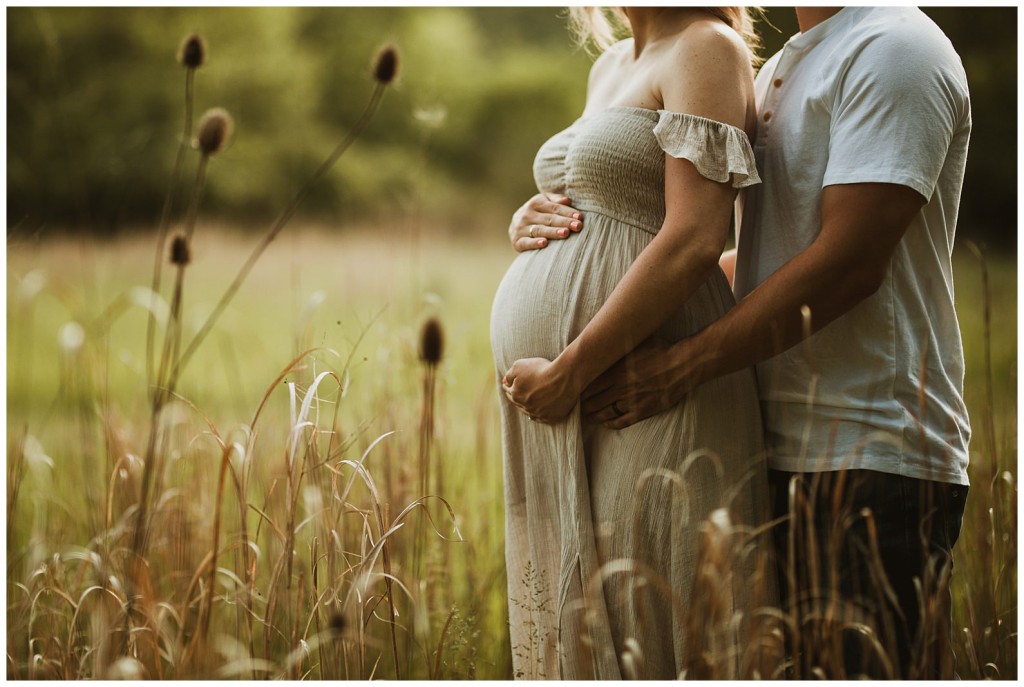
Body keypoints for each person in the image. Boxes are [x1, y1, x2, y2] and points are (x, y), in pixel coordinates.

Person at [510, 6, 972, 680]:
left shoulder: (896, 47)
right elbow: (756, 262)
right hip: (766, 443)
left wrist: (677, 366)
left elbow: (849, 263)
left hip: (870, 452)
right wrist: (569, 239)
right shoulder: (785, 67)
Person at [492, 7, 776, 680]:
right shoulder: (610, 63)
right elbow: (606, 199)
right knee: (586, 625)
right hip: (570, 397)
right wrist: (527, 218)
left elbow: (697, 236)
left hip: (646, 387)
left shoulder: (706, 47)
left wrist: (572, 367)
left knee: (649, 613)